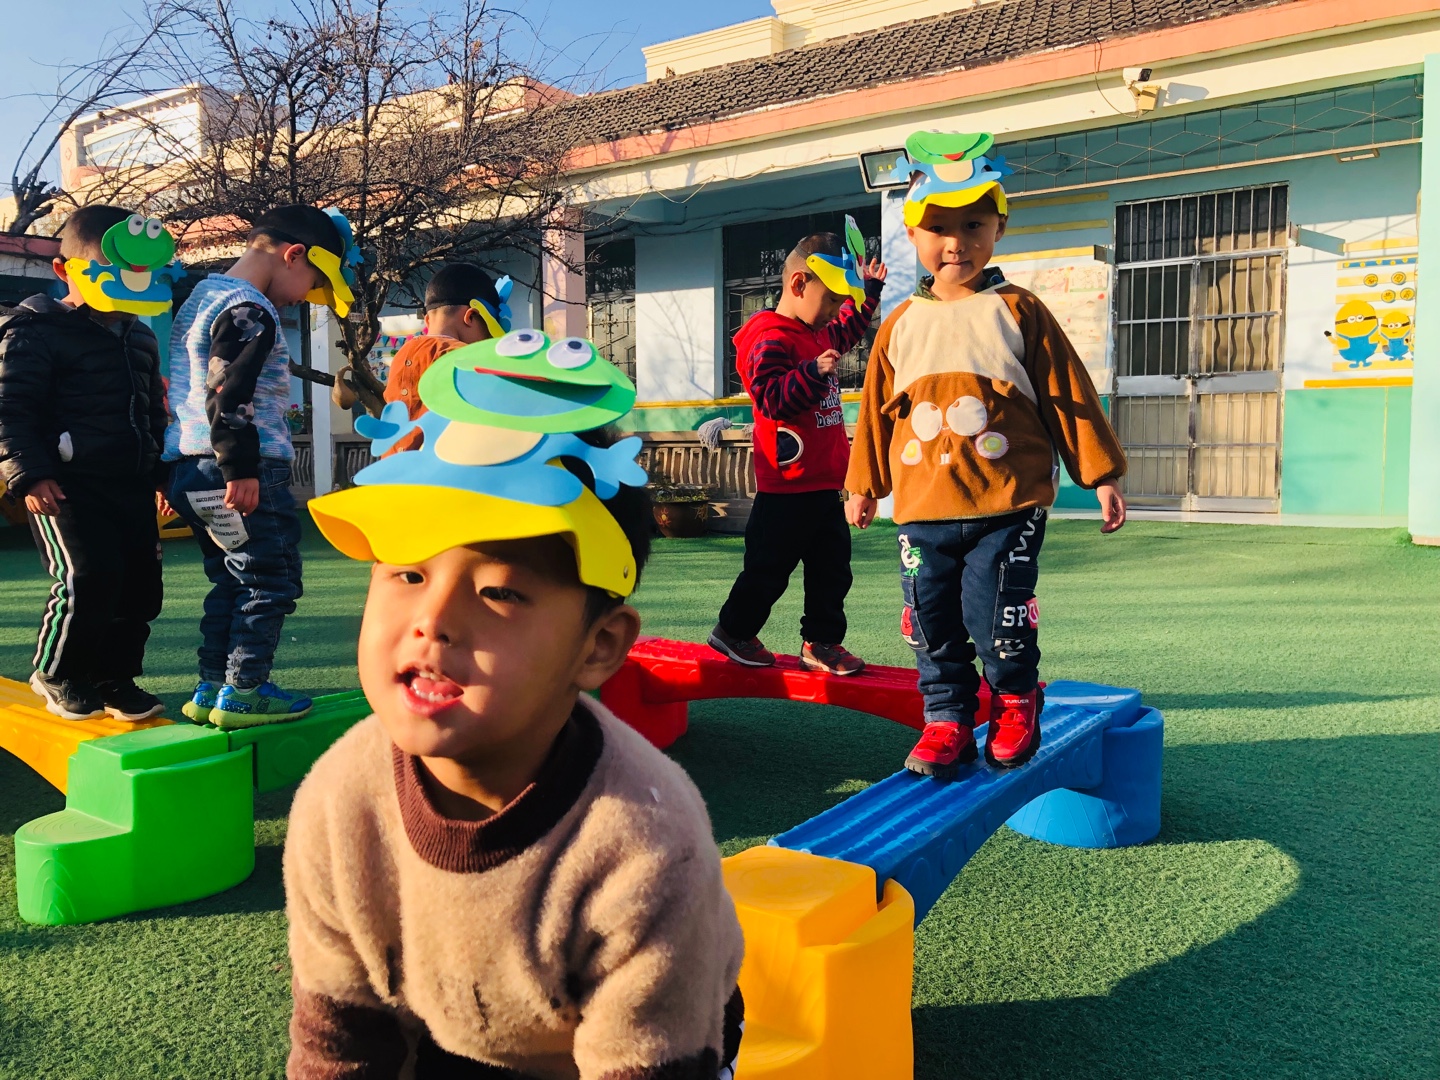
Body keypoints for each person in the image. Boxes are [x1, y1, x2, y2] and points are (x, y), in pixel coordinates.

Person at [288, 329, 745, 1079]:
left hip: (645, 1046)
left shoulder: (645, 846)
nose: (434, 620)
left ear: (598, 646)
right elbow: (340, 1043)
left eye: (499, 591)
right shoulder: (339, 803)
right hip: (453, 1028)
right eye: (407, 573)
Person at [845, 130, 1128, 779]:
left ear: (999, 227)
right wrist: (864, 484)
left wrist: (1102, 473)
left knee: (996, 609)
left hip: (1007, 503)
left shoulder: (1018, 310)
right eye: (938, 228)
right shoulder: (899, 324)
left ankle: (1014, 700)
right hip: (922, 507)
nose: (956, 242)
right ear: (912, 235)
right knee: (929, 616)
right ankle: (946, 716)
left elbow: (1067, 394)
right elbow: (876, 410)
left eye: (973, 225)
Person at [164, 204, 361, 729]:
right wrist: (240, 467)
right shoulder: (250, 308)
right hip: (239, 469)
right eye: (311, 283)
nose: (302, 298)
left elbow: (189, 388)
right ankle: (245, 691)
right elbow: (229, 390)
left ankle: (213, 686)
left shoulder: (199, 297)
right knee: (270, 579)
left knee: (230, 578)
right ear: (293, 255)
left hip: (191, 467)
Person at [0, 204, 179, 721]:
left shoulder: (139, 335)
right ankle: (57, 672)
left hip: (129, 482)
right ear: (65, 271)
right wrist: (30, 474)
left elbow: (152, 411)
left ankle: (113, 677)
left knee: (140, 586)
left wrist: (162, 474)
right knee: (88, 576)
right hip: (66, 486)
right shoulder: (35, 331)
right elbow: (10, 408)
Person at [709, 227, 886, 676]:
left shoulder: (815, 332)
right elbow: (770, 397)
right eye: (831, 301)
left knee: (833, 570)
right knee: (768, 569)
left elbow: (846, 331)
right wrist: (811, 373)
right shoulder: (768, 336)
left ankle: (821, 643)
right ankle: (733, 631)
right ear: (798, 284)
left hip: (824, 483)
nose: (834, 313)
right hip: (786, 488)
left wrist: (868, 296)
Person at [383, 262, 512, 454]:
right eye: (487, 334)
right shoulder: (460, 357)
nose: (485, 343)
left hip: (393, 466)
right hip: (437, 468)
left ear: (427, 320)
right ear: (470, 316)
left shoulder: (402, 353)